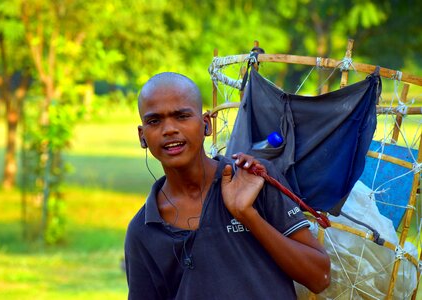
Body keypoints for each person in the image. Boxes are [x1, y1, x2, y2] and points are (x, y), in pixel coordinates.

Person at [124, 72, 330, 299]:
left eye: (182, 116)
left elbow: (319, 277)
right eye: (154, 121)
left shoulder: (252, 179)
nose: (169, 129)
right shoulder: (144, 230)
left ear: (206, 125)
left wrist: (247, 215)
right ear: (142, 136)